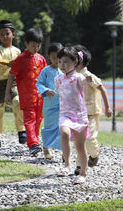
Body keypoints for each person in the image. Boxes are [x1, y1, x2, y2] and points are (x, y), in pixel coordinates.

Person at [5, 28, 47, 156]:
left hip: (40, 97)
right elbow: (11, 76)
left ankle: (35, 140)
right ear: (26, 44)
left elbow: (46, 76)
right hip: (27, 97)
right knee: (29, 120)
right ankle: (33, 143)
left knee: (39, 119)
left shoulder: (41, 59)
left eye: (38, 46)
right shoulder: (20, 59)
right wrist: (7, 93)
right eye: (33, 45)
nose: (36, 48)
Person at [55, 46, 92, 184]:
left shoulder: (78, 77)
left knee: (80, 146)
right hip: (65, 114)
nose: (62, 65)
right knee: (64, 133)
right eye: (59, 62)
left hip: (79, 116)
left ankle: (83, 173)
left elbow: (83, 82)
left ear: (75, 62)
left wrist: (87, 80)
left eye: (65, 62)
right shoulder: (58, 79)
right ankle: (67, 165)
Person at [74, 44, 112, 174]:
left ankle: (94, 155)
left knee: (89, 139)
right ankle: (79, 165)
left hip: (92, 113)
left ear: (79, 61)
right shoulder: (72, 77)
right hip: (78, 114)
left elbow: (102, 89)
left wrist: (107, 107)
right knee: (79, 141)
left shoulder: (89, 76)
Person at [0, 20, 26, 148]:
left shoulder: (17, 51)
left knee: (18, 102)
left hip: (13, 82)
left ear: (13, 35)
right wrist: (10, 63)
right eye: (2, 34)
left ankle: (22, 131)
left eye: (7, 33)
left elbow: (20, 66)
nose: (5, 36)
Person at [36, 42, 63, 160]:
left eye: (59, 57)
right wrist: (46, 90)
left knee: (64, 127)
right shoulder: (46, 70)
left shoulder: (66, 70)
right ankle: (46, 148)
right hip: (49, 105)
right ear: (49, 57)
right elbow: (39, 83)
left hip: (64, 105)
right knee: (49, 126)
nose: (57, 60)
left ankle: (64, 151)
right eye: (53, 57)